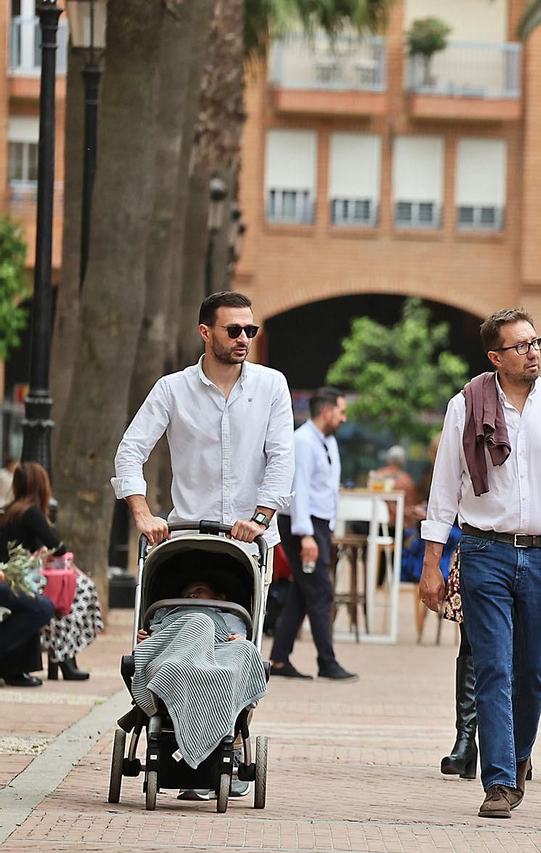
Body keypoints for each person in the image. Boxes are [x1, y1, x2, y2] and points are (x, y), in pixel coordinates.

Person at [420, 309, 541, 820]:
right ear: (495, 357)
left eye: (535, 342)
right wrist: (432, 563)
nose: (533, 352)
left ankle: (519, 756)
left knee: (533, 669)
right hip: (485, 551)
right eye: (520, 346)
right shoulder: (466, 405)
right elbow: (444, 487)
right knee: (493, 666)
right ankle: (499, 780)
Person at [114, 290, 294, 552]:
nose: (243, 339)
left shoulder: (272, 385)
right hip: (189, 538)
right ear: (205, 333)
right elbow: (130, 450)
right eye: (233, 330)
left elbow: (282, 457)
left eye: (250, 330)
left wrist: (260, 519)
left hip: (253, 543)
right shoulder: (172, 389)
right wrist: (142, 514)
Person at [133, 579, 263, 801]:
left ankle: (228, 752)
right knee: (198, 622)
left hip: (217, 656)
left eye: (199, 590)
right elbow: (158, 640)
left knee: (244, 649)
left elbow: (239, 641)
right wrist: (147, 639)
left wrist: (241, 640)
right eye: (186, 594)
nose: (191, 595)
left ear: (220, 598)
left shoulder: (231, 616)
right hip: (178, 654)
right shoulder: (166, 613)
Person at [269, 388, 357, 681]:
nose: (344, 419)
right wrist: (306, 535)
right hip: (301, 524)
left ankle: (279, 659)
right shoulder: (303, 441)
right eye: (341, 412)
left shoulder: (328, 442)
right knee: (320, 591)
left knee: (303, 591)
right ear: (327, 412)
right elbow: (300, 489)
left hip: (319, 524)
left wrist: (326, 528)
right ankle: (327, 662)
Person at [0, 463, 103, 682]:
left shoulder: (10, 511)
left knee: (67, 595)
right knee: (78, 592)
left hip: (17, 576)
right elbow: (58, 548)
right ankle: (65, 657)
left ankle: (64, 658)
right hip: (19, 578)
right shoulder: (30, 512)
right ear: (41, 486)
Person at [370, 445, 422, 532]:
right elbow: (411, 508)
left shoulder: (377, 476)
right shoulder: (406, 481)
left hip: (375, 525)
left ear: (388, 460)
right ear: (403, 462)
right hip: (398, 527)